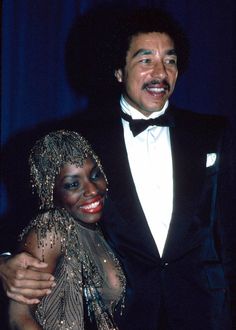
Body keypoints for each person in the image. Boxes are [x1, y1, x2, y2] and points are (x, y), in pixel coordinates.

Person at [0, 7, 235, 330]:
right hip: (118, 317)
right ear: (119, 72)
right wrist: (3, 261)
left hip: (206, 313)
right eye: (145, 60)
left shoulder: (214, 133)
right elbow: (35, 217)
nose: (160, 72)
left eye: (170, 60)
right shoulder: (79, 139)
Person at [8, 130, 126, 330]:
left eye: (95, 175)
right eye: (73, 184)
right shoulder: (50, 228)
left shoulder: (100, 227)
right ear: (51, 191)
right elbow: (18, 317)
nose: (92, 190)